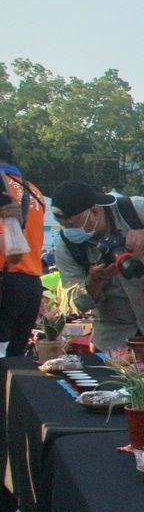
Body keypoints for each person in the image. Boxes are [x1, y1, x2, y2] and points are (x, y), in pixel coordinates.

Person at [51, 180, 144, 351]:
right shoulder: (67, 247)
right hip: (113, 336)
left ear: (95, 211)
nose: (69, 230)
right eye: (63, 225)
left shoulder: (135, 209)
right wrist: (94, 281)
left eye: (72, 223)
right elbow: (73, 305)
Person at [0, 133, 47, 357]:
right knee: (15, 364)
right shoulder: (33, 191)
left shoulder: (3, 187)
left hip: (5, 281)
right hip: (31, 286)